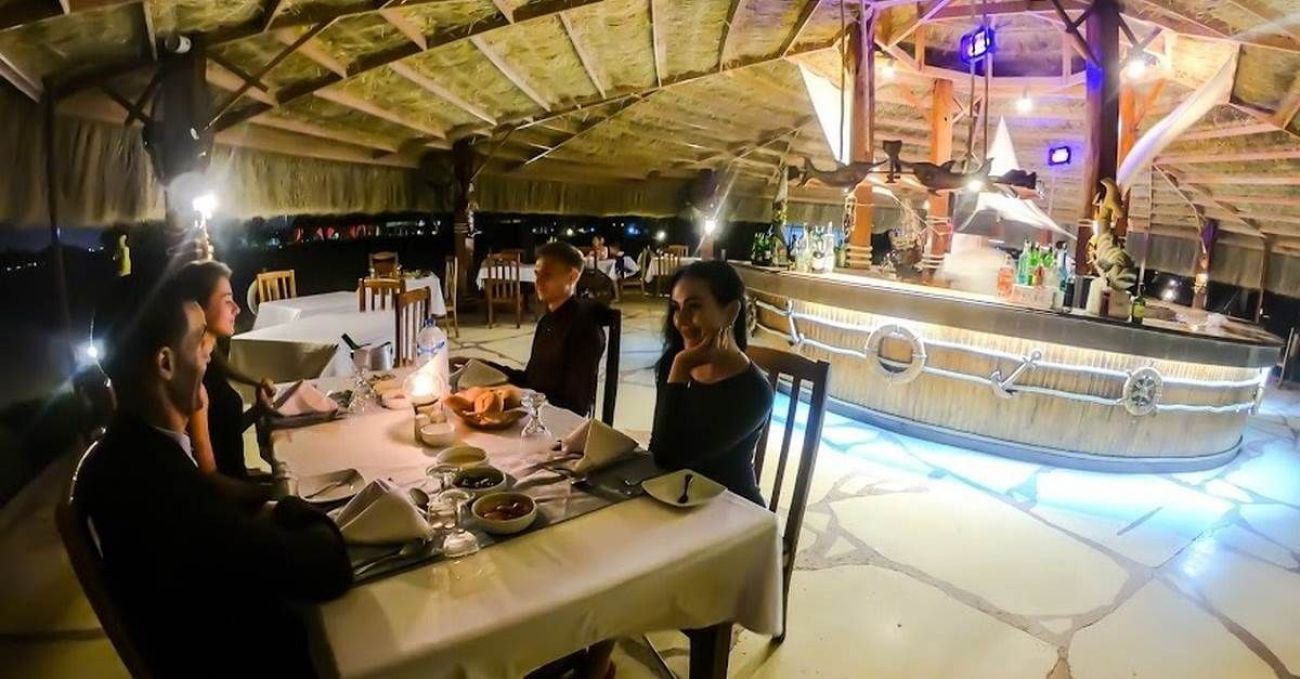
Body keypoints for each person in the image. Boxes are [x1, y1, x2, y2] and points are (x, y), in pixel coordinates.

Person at [82, 275, 352, 678]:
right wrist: (288, 506)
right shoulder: (166, 489)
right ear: (165, 363)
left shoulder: (122, 455)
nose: (208, 353)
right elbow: (328, 568)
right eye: (198, 340)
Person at [650, 261, 772, 506]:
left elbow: (668, 457)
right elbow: (660, 449)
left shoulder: (754, 391)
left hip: (734, 509)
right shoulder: (671, 363)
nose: (681, 320)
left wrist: (682, 366)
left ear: (730, 312)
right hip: (680, 498)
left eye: (694, 306)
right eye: (676, 308)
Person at [466, 242, 606, 415]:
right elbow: (531, 379)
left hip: (558, 423)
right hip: (536, 411)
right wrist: (481, 365)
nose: (538, 282)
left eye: (547, 275)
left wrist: (520, 396)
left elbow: (575, 407)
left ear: (572, 277)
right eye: (537, 274)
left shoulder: (584, 328)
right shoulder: (547, 321)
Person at [173, 260, 276, 479]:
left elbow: (223, 436)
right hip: (229, 494)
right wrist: (268, 491)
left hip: (239, 483)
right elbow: (210, 477)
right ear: (199, 307)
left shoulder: (211, 363)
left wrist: (259, 409)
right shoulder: (196, 379)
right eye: (227, 300)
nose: (237, 308)